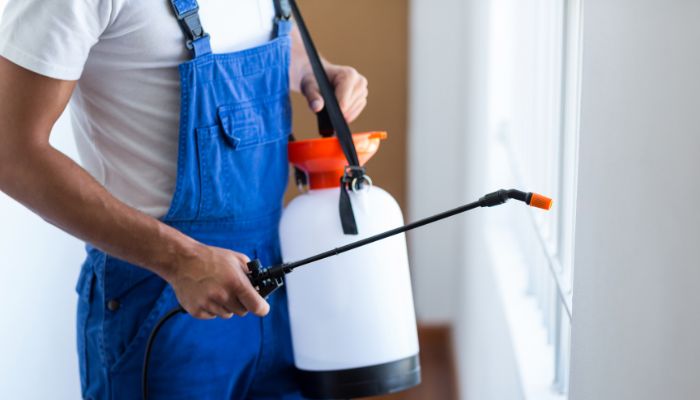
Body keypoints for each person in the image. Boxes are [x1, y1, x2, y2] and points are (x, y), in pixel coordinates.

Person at [0, 0, 368, 398]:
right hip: (162, 298)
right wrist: (179, 259)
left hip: (280, 286)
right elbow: (11, 153)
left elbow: (258, 28)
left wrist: (311, 71)